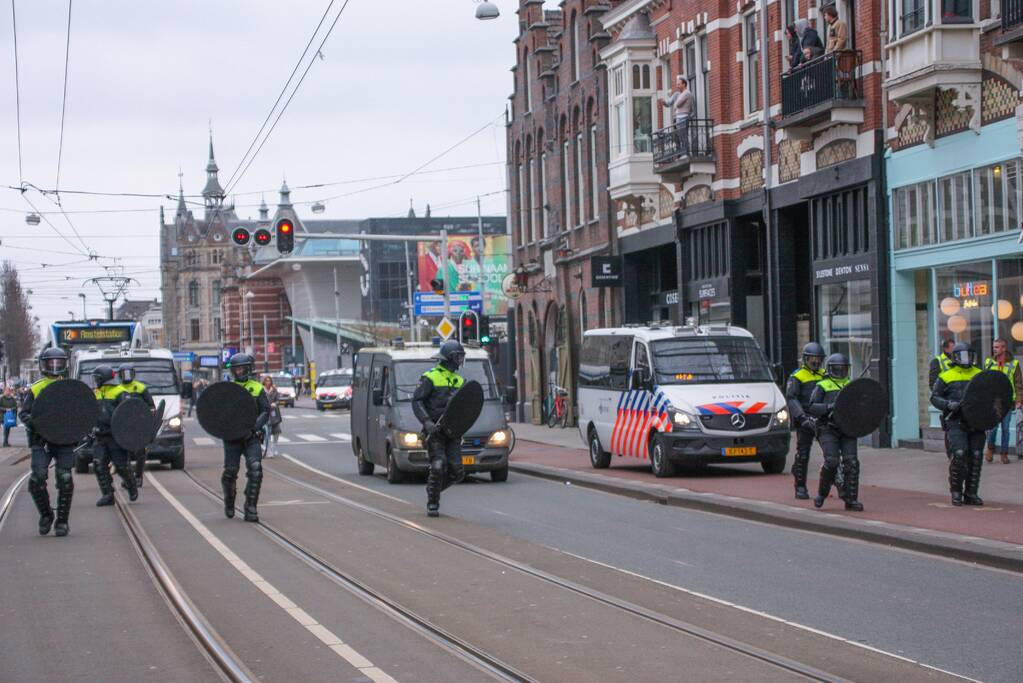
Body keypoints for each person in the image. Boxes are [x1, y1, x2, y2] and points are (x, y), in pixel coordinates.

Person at [18, 348, 76, 536]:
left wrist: (85, 430)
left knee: (65, 478)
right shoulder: (36, 388)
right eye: (50, 362)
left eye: (58, 362)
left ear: (64, 364)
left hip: (64, 440)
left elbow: (81, 413)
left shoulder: (71, 387)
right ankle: (46, 515)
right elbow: (24, 413)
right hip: (41, 440)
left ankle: (62, 521)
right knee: (37, 478)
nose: (54, 366)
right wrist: (37, 425)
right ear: (43, 364)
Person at [412, 339, 467, 517]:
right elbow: (417, 401)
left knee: (457, 471)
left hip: (453, 432)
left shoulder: (460, 381)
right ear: (449, 357)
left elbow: (466, 408)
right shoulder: (430, 376)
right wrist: (426, 422)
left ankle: (432, 489)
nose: (460, 360)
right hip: (435, 432)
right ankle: (433, 502)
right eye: (458, 356)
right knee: (438, 465)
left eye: (461, 356)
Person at [807, 353, 864, 511]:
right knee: (832, 461)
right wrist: (829, 407)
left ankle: (851, 500)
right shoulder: (822, 386)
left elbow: (861, 406)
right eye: (837, 369)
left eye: (843, 368)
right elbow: (811, 407)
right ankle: (822, 493)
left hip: (848, 429)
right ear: (830, 369)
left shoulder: (851, 385)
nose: (840, 371)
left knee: (851, 462)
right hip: (828, 428)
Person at [931, 342, 984, 506]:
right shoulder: (946, 375)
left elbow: (989, 396)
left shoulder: (980, 374)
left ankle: (971, 493)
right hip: (955, 421)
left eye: (969, 355)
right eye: (962, 355)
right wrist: (947, 405)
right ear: (955, 357)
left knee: (976, 456)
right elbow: (934, 397)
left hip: (976, 422)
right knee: (959, 454)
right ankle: (956, 492)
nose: (966, 359)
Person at [221, 353, 272, 522]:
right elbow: (218, 412)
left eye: (241, 368)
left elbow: (265, 411)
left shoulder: (257, 388)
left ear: (248, 369)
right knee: (230, 471)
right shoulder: (227, 388)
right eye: (236, 368)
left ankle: (251, 506)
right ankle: (229, 501)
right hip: (232, 438)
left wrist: (254, 427)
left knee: (256, 469)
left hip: (251, 436)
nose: (238, 371)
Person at [91, 365, 138, 507]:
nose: (95, 381)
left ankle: (131, 485)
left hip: (116, 437)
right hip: (100, 436)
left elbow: (128, 413)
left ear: (103, 378)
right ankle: (107, 494)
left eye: (96, 378)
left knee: (121, 466)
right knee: (99, 465)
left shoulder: (121, 392)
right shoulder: (95, 393)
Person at [785, 342, 827, 499]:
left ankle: (834, 483)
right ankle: (800, 486)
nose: (816, 362)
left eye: (818, 359)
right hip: (805, 419)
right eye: (812, 359)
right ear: (805, 359)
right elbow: (791, 398)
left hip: (822, 419)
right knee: (803, 453)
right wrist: (802, 417)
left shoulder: (825, 374)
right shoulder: (797, 376)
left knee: (831, 454)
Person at [983, 338, 1022, 464]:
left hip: (1007, 401)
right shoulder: (988, 362)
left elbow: (1018, 384)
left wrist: (1019, 400)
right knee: (993, 428)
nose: (994, 349)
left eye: (997, 347)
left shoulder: (1014, 364)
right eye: (994, 347)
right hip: (993, 401)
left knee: (1005, 428)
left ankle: (1004, 454)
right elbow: (983, 380)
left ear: (1004, 348)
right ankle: (990, 449)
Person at [118, 364, 156, 487]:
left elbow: (151, 406)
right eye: (124, 373)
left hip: (139, 426)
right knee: (125, 455)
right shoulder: (118, 389)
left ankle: (138, 477)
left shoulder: (140, 388)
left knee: (140, 453)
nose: (127, 376)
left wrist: (146, 417)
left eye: (129, 373)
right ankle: (127, 478)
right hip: (124, 427)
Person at [659, 76, 694, 155]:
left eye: (679, 84)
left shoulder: (686, 93)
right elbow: (671, 104)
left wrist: (674, 99)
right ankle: (683, 152)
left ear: (684, 84)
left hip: (683, 117)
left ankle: (686, 153)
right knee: (680, 136)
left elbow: (677, 104)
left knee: (683, 136)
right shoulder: (679, 94)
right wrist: (666, 102)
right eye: (677, 84)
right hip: (679, 117)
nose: (677, 86)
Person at [262, 375, 282, 458]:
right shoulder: (262, 390)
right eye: (266, 381)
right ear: (264, 382)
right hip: (266, 414)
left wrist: (275, 403)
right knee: (267, 433)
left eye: (269, 381)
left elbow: (278, 400)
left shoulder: (274, 390)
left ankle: (274, 447)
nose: (268, 382)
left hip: (274, 413)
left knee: (277, 431)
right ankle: (269, 450)